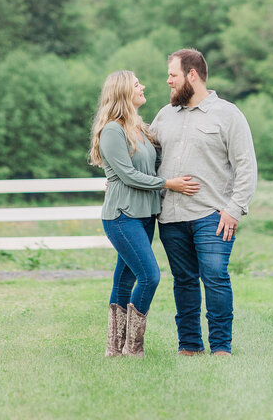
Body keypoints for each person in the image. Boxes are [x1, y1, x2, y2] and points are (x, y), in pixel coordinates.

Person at [151, 48, 258, 357]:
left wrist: (234, 209)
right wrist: (117, 176)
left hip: (213, 214)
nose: (168, 81)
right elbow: (140, 151)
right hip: (170, 216)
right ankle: (189, 345)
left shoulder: (228, 114)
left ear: (192, 75)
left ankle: (221, 346)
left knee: (215, 276)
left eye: (173, 75)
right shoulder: (164, 115)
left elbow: (246, 166)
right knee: (183, 281)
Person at [89, 70, 200, 358]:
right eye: (137, 84)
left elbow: (155, 165)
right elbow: (127, 175)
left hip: (145, 214)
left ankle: (115, 349)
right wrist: (169, 184)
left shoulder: (141, 128)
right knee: (149, 276)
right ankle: (133, 348)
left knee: (124, 280)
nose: (143, 87)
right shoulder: (113, 129)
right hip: (122, 215)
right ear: (124, 92)